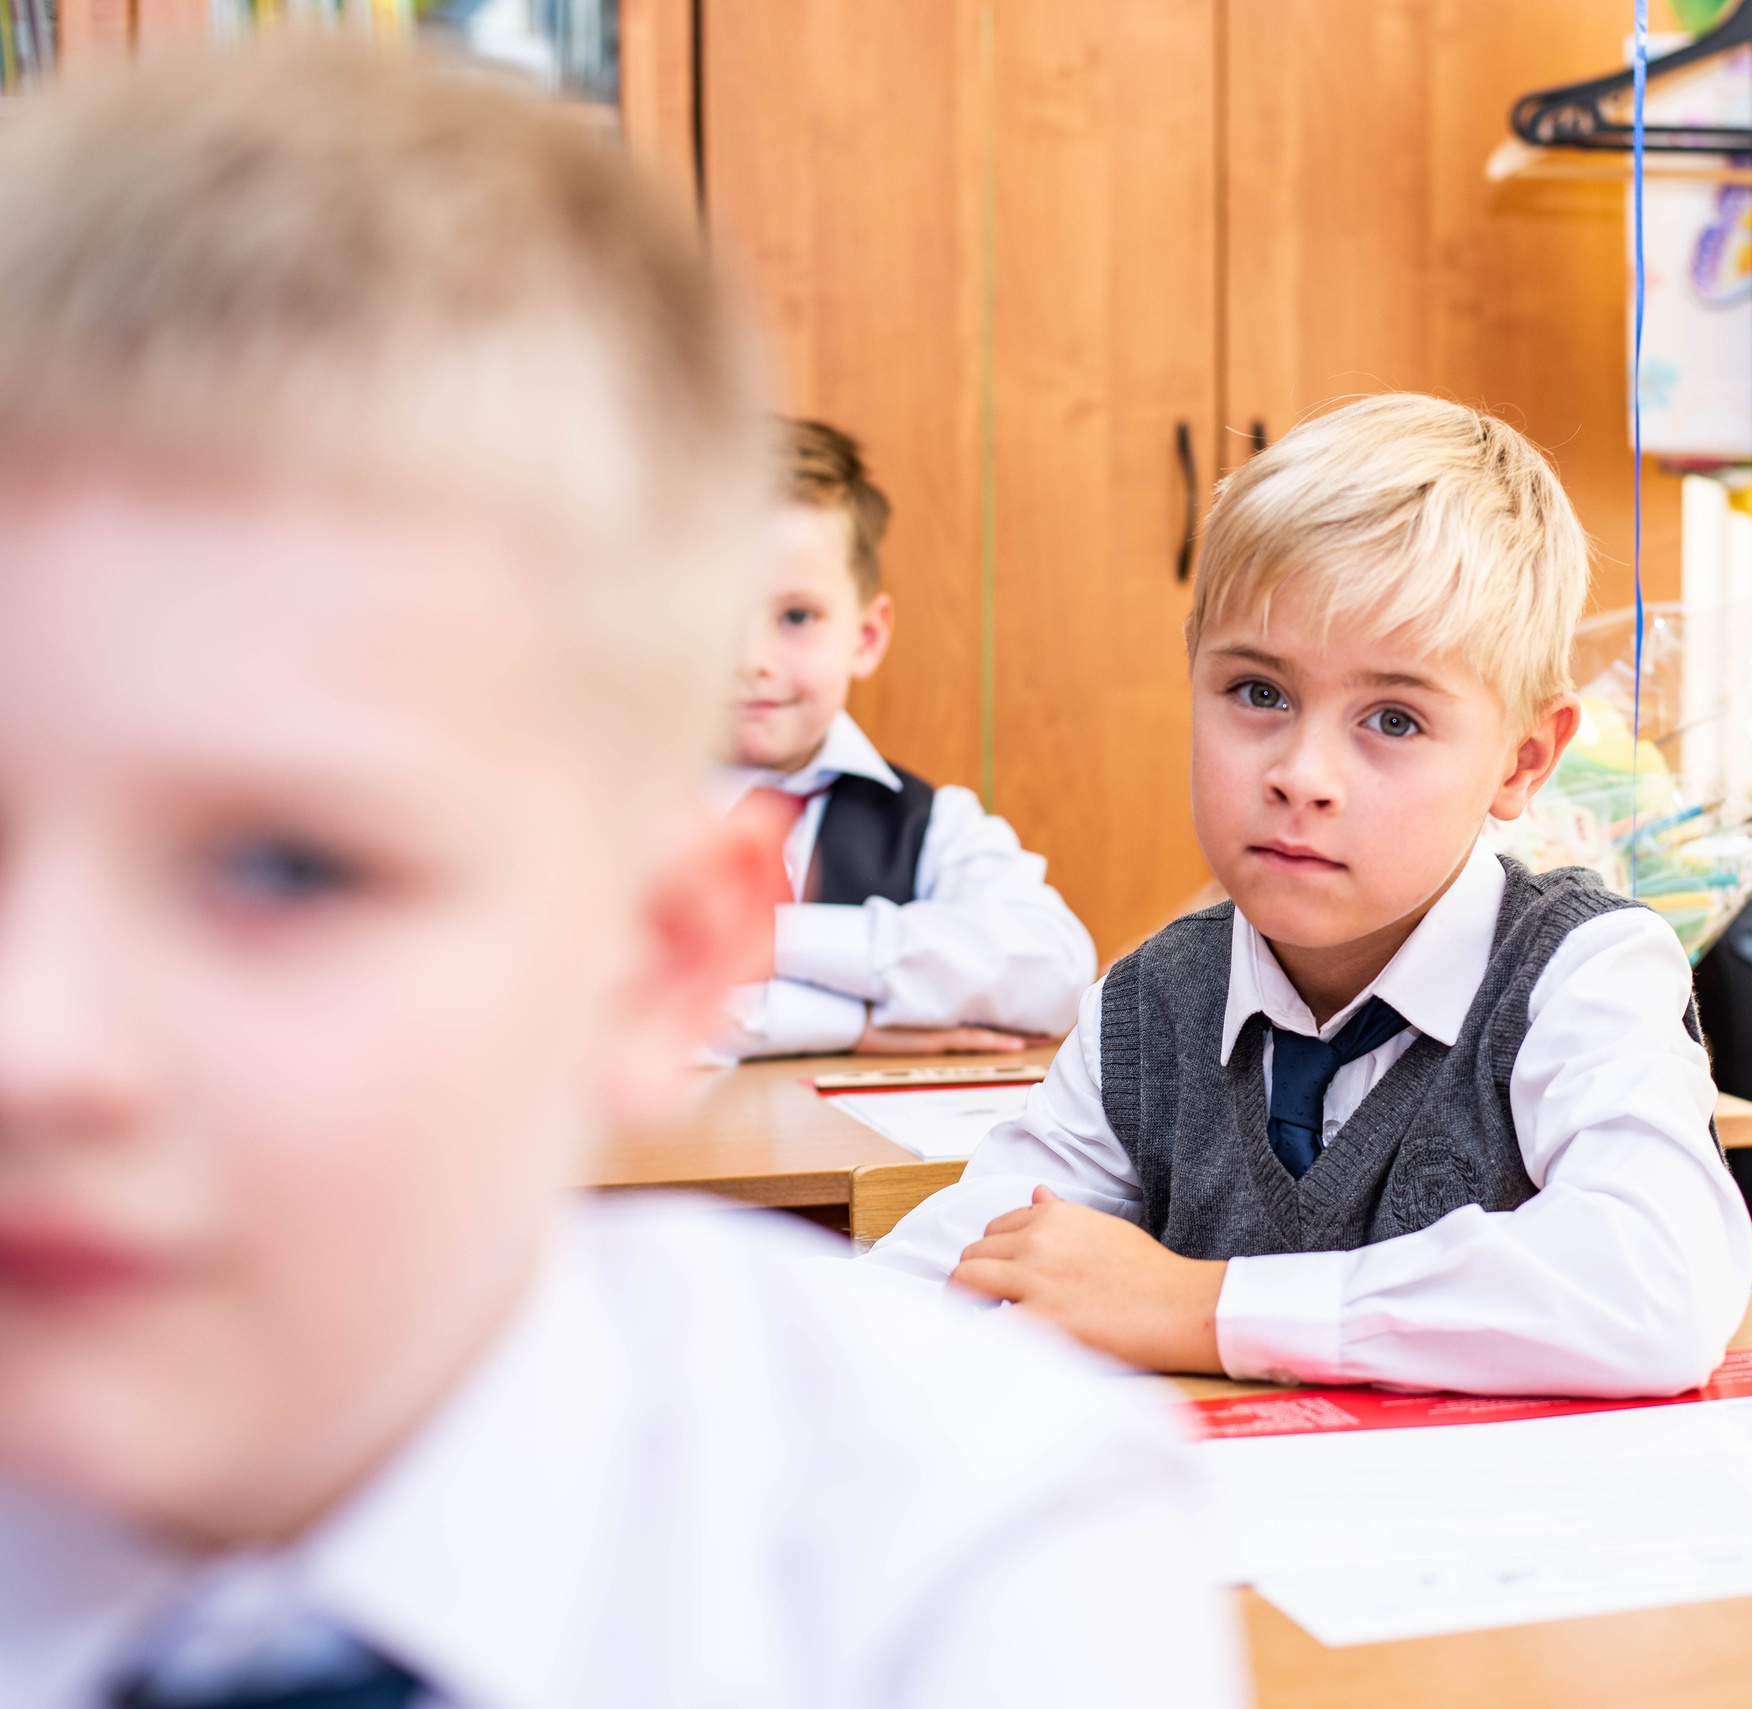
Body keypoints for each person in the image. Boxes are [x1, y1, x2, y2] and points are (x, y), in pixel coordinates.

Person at [0, 45, 1238, 1709]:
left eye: (283, 868)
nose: (35, 1044)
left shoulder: (957, 1552)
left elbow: (1032, 954)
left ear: (658, 957)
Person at [869, 394, 1752, 1399]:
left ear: (1521, 759)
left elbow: (1656, 1286)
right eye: (1258, 692)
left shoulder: (1582, 971)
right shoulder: (1152, 1001)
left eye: (1392, 717)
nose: (1302, 772)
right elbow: (961, 1263)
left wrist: (1197, 1307)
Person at [715, 420, 1095, 1059]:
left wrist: (770, 938)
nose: (752, 658)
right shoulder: (612, 813)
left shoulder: (930, 822)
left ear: (865, 637)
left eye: (796, 617)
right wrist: (850, 1026)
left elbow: (1055, 972)